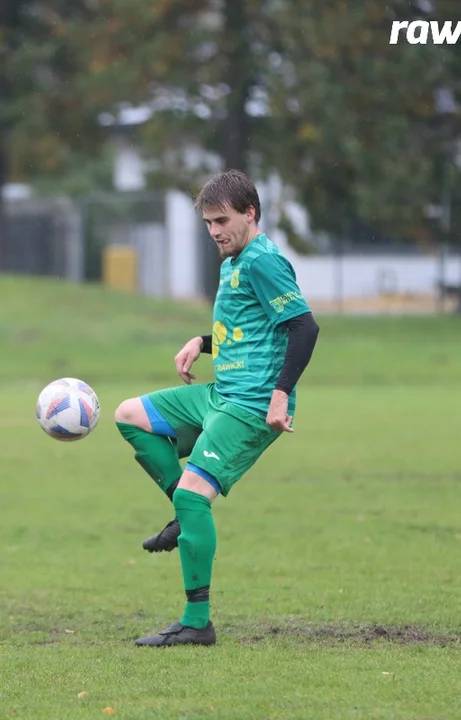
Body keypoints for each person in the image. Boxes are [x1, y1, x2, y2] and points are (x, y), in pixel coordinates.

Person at [113, 169, 320, 647]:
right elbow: (253, 328)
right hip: (219, 394)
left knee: (191, 495)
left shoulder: (264, 261)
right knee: (130, 416)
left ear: (251, 213)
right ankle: (186, 518)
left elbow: (303, 328)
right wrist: (203, 342)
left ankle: (196, 622)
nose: (214, 232)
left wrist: (281, 393)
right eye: (208, 223)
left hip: (249, 406)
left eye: (222, 220)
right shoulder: (233, 261)